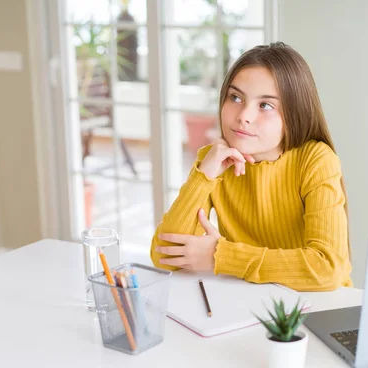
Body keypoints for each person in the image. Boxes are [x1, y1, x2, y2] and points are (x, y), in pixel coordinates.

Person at [150, 42, 352, 291]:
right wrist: (204, 176)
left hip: (319, 309)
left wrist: (220, 256)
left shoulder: (316, 160)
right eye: (235, 97)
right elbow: (165, 255)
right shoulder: (214, 161)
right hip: (250, 305)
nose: (243, 115)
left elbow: (326, 269)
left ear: (295, 113)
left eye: (265, 105)